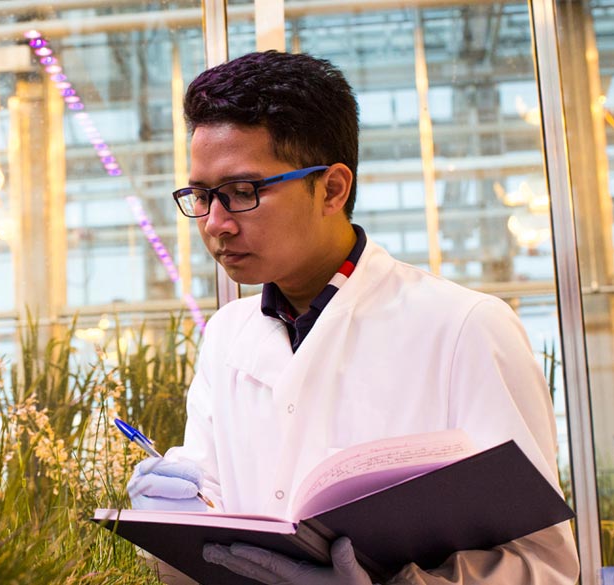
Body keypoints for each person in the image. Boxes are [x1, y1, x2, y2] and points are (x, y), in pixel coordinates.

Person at [127, 50, 579, 584]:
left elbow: (545, 565)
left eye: (242, 192)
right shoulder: (228, 335)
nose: (216, 224)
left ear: (333, 189)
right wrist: (173, 519)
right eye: (201, 196)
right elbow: (217, 516)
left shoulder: (466, 327)